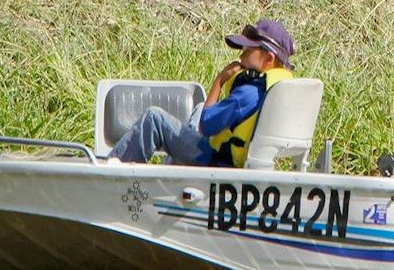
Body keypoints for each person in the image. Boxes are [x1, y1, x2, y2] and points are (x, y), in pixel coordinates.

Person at [105, 19, 296, 165]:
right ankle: (168, 170)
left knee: (154, 118)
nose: (240, 55)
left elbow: (206, 125)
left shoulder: (249, 94)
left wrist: (220, 80)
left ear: (269, 58)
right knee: (198, 108)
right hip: (233, 157)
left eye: (247, 51)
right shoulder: (276, 89)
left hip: (215, 160)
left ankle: (109, 173)